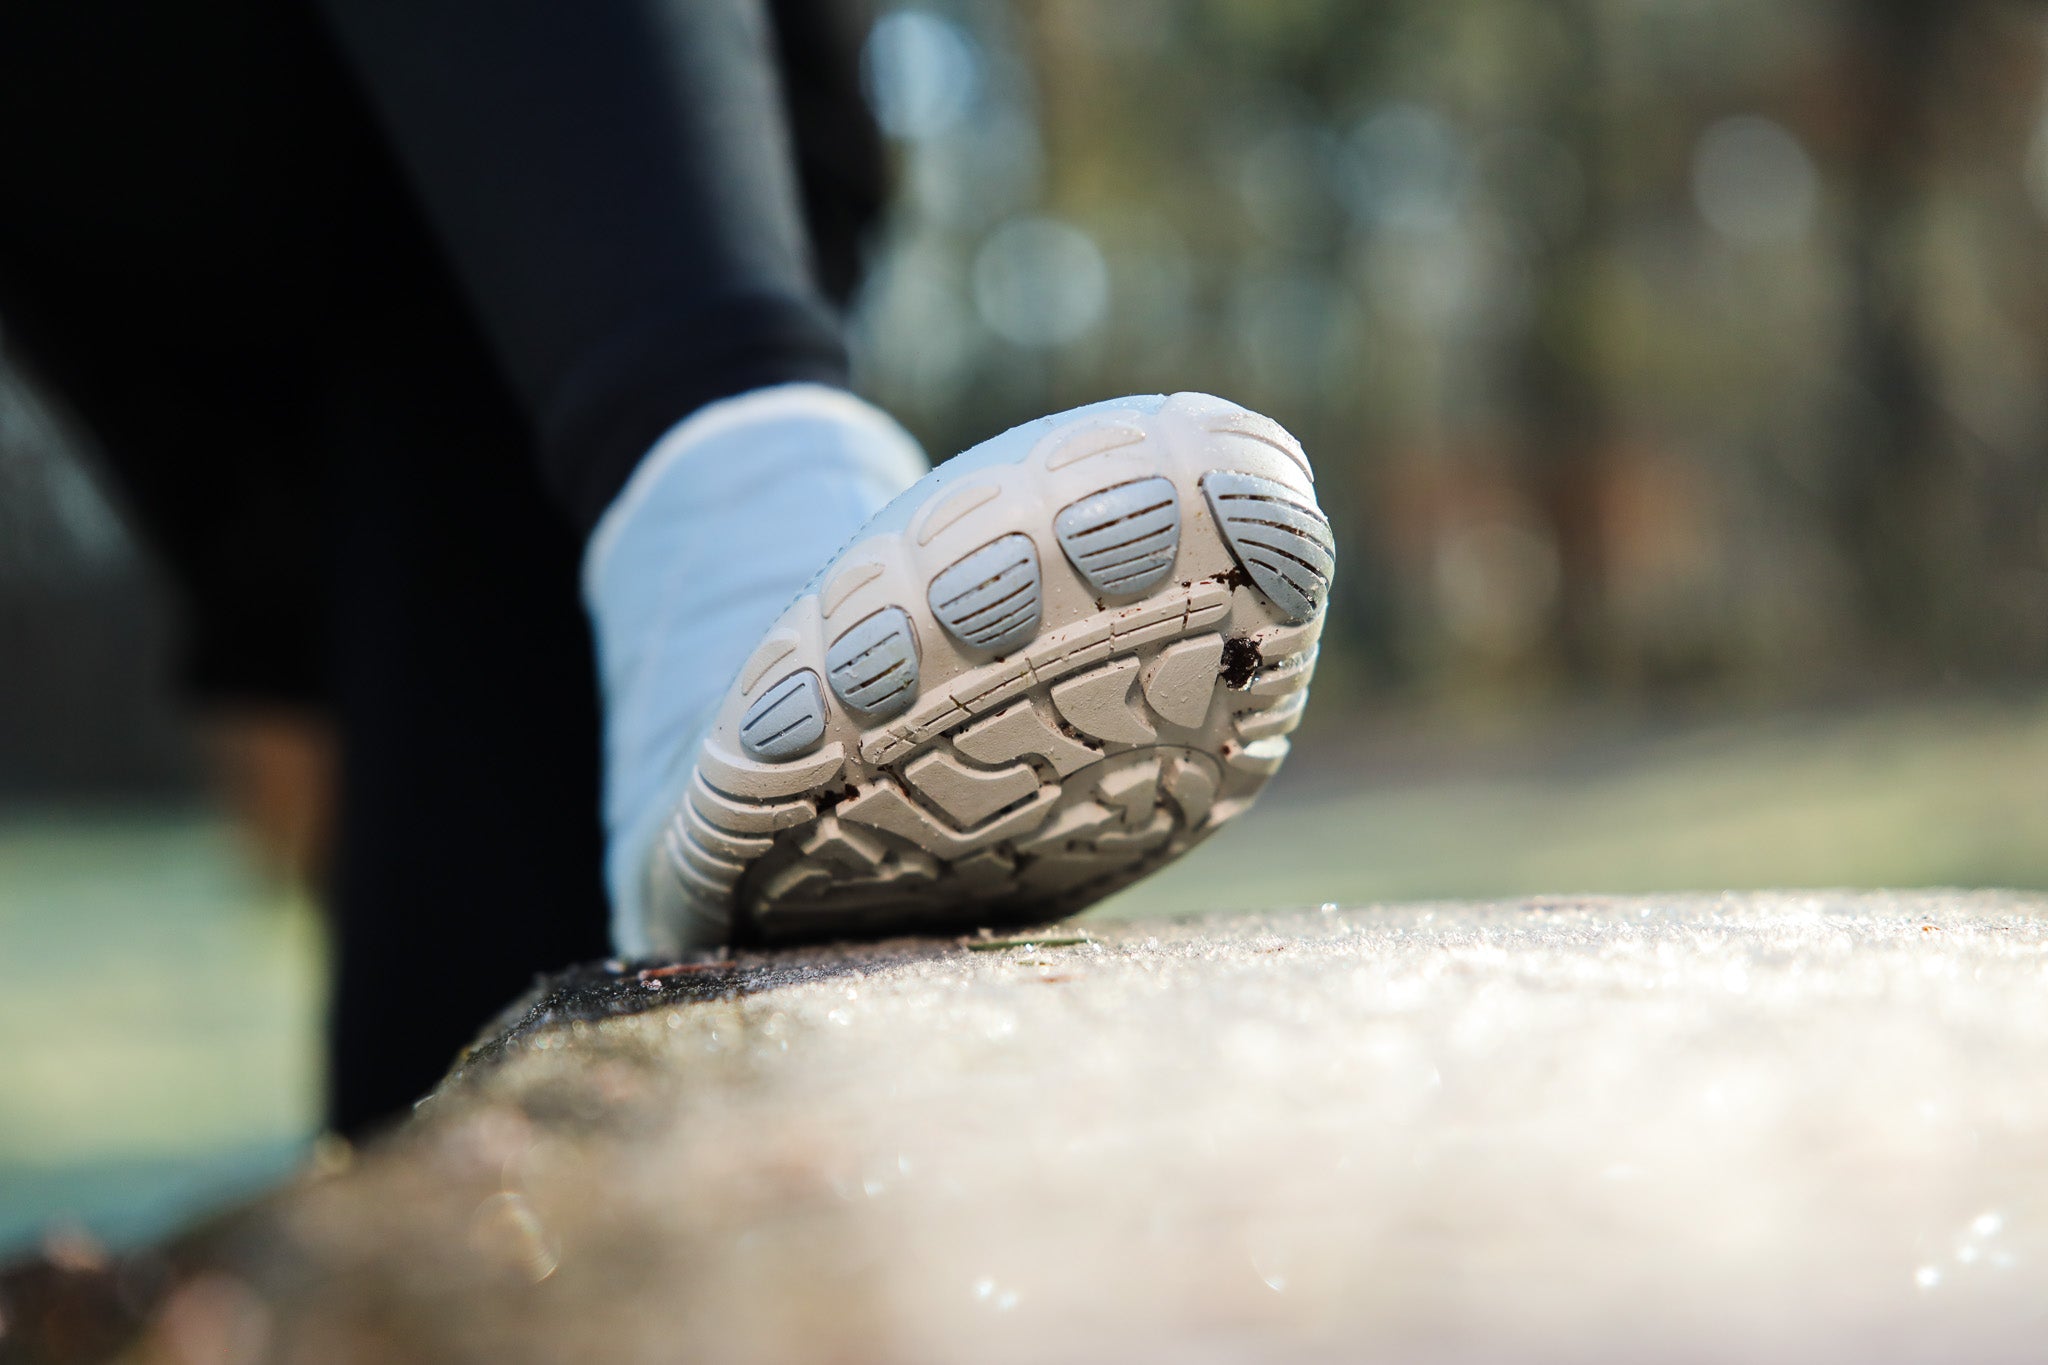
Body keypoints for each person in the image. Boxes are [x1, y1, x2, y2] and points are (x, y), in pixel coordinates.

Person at [0, 0, 1331, 1136]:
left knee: (452, 952)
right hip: (422, 277)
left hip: (578, 210)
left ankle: (743, 535)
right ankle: (748, 552)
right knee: (438, 887)